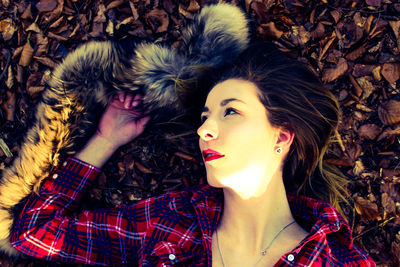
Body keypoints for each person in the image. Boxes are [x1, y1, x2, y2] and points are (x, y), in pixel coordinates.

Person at [10, 41, 376, 266]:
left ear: (281, 136)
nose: (204, 130)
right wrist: (105, 140)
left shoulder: (339, 261)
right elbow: (36, 233)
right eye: (205, 116)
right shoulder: (170, 224)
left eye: (230, 111)